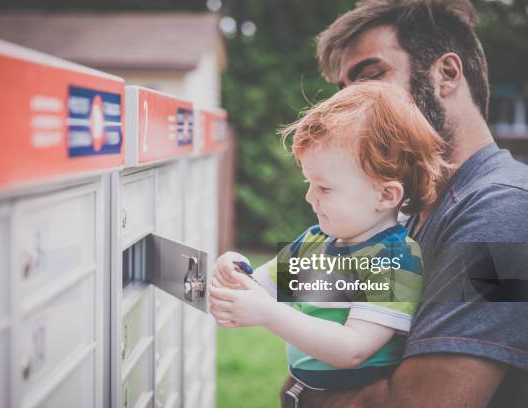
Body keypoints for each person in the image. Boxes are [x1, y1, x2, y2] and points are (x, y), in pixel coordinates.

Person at [211, 0, 528, 407]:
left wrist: (299, 392)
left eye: (371, 77)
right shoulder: (395, 217)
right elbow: (301, 302)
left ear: (446, 75)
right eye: (345, 91)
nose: (355, 104)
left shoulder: (506, 217)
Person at [209, 80, 449, 393]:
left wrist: (267, 313)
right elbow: (259, 291)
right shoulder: (313, 241)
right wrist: (235, 272)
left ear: (386, 196)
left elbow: (353, 349)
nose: (310, 197)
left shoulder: (394, 260)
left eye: (324, 187)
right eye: (309, 183)